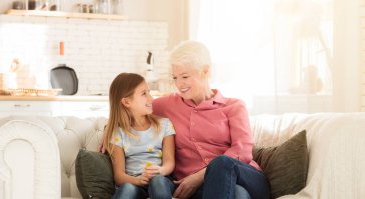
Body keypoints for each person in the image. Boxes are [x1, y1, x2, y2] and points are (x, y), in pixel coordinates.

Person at [100, 41, 270, 199]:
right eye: (175, 77)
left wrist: (198, 177)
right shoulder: (169, 104)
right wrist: (109, 129)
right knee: (239, 195)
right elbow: (130, 108)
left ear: (205, 71)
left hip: (245, 177)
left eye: (185, 76)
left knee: (222, 163)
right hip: (205, 189)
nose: (179, 84)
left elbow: (243, 151)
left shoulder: (234, 106)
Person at [103, 73, 176, 199]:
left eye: (149, 92)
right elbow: (119, 176)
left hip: (161, 180)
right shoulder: (118, 133)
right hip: (134, 183)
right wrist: (138, 180)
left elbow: (169, 162)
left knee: (157, 181)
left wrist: (161, 170)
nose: (151, 98)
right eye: (144, 94)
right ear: (126, 102)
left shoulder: (164, 125)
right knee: (127, 189)